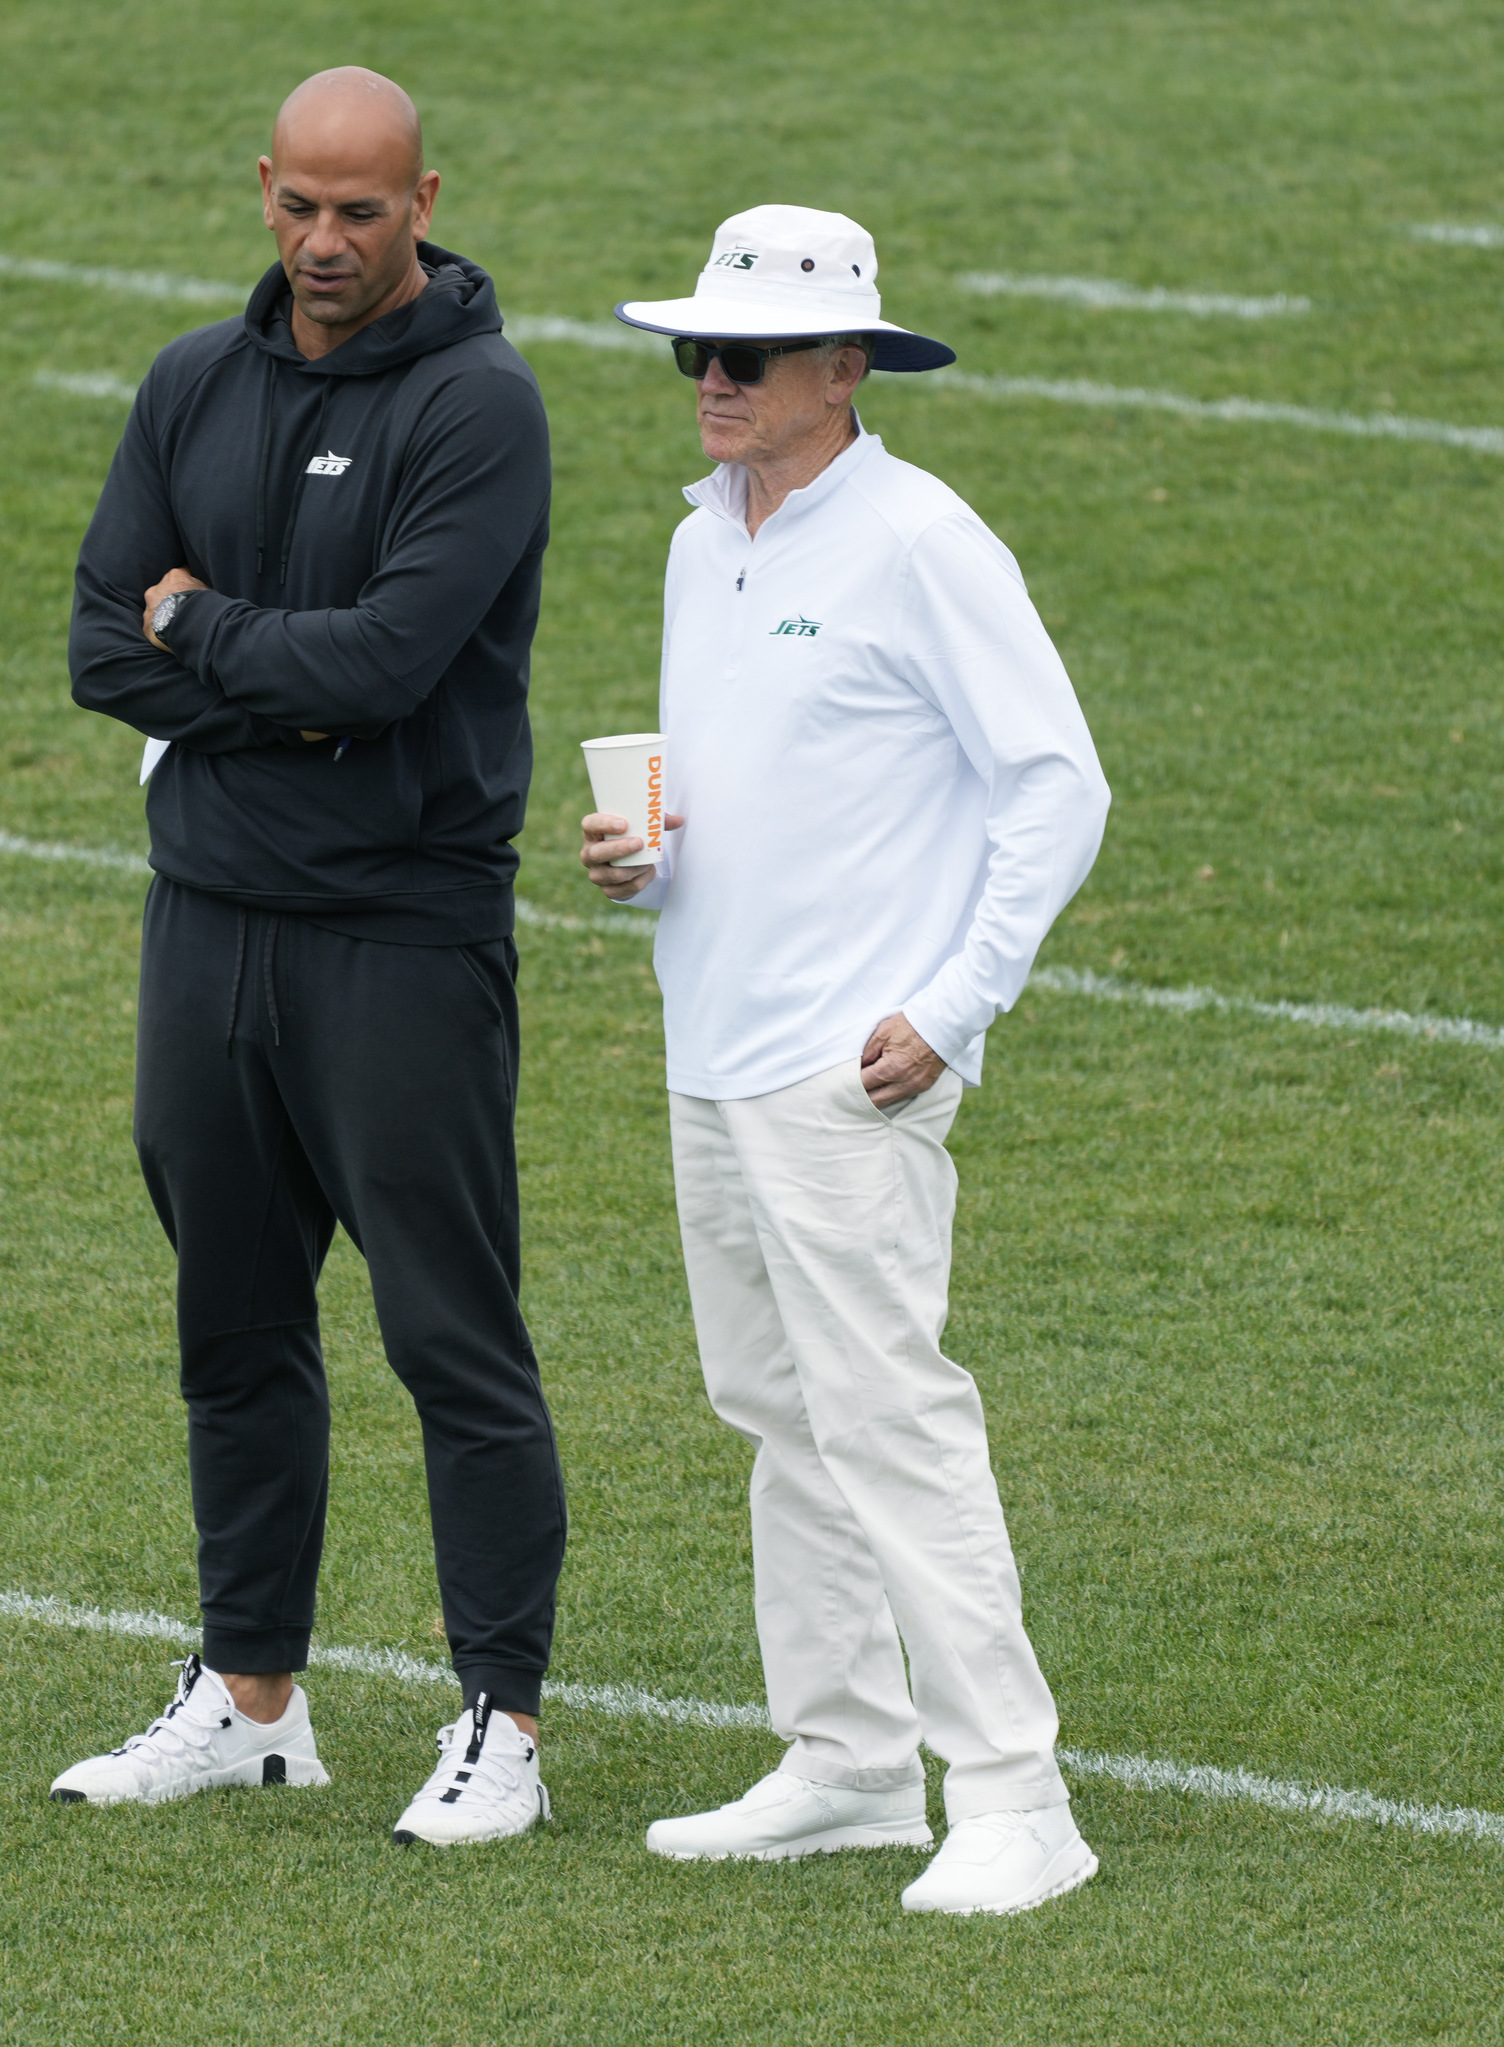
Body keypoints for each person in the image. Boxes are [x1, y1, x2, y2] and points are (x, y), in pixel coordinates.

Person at [54, 66, 563, 1848]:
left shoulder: (482, 410)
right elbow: (101, 648)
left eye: (364, 211)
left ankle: (502, 1721)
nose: (327, 243)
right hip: (207, 935)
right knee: (232, 1326)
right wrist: (261, 674)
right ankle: (251, 1696)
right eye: (300, 208)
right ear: (262, 187)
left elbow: (389, 670)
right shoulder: (193, 377)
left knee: (453, 1339)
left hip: (399, 947)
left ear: (429, 197)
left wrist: (211, 635)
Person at [582, 206, 1113, 1914]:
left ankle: (1019, 1800)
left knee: (889, 1418)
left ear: (842, 369)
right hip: (710, 1041)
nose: (712, 383)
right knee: (778, 1414)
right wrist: (646, 858)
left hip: (849, 1065)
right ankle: (849, 1765)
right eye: (695, 354)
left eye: (743, 357)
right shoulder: (702, 536)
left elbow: (1058, 784)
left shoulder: (920, 541)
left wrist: (955, 1005)